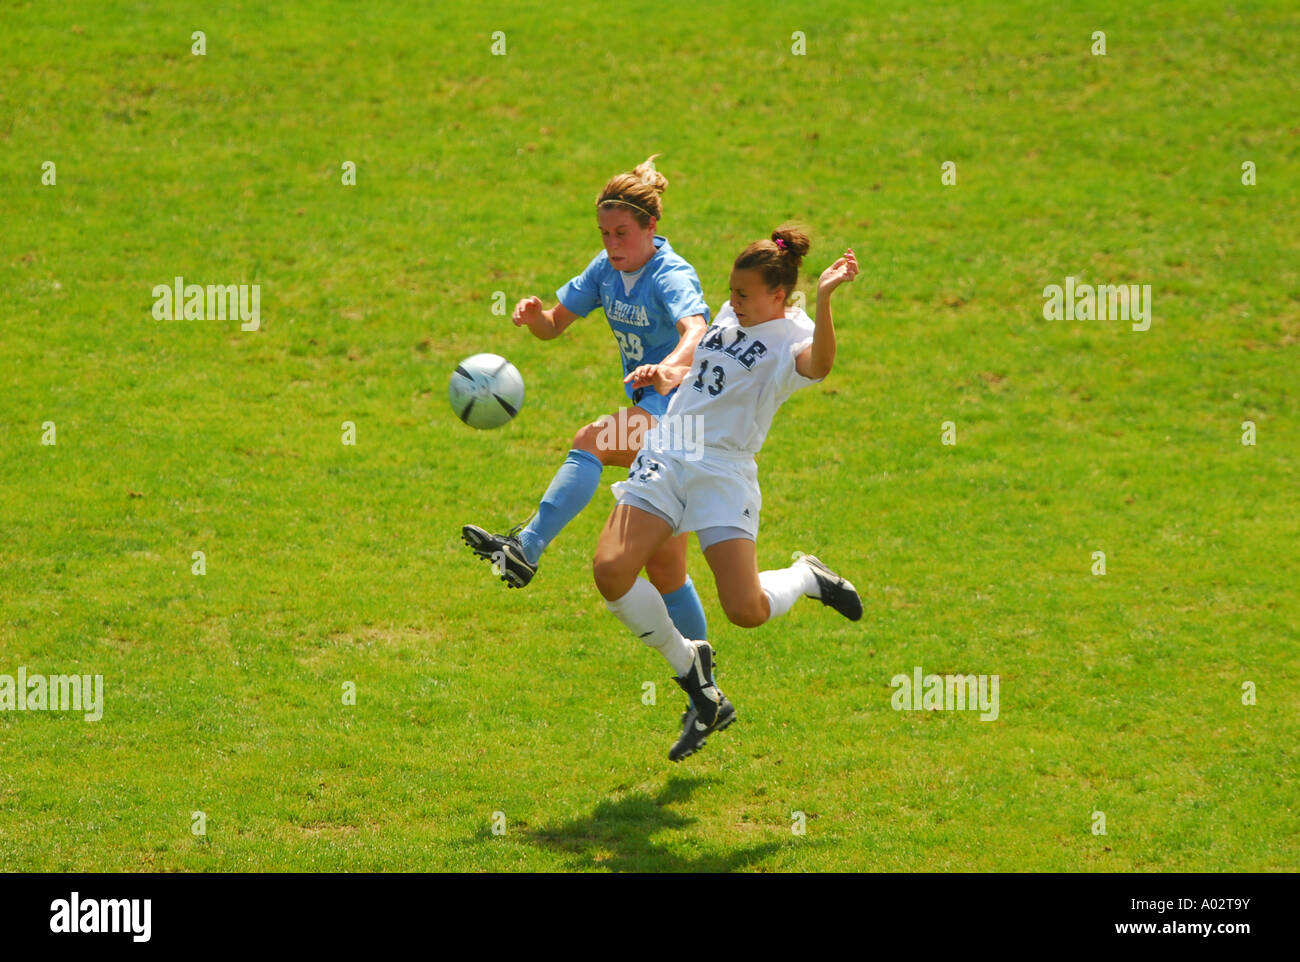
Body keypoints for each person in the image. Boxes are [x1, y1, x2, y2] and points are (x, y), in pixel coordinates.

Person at [592, 226, 862, 761]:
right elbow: (702, 368)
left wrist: (827, 298)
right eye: (731, 291)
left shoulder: (795, 337)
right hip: (670, 452)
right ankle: (690, 668)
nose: (732, 301)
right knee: (611, 570)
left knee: (746, 609)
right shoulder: (731, 313)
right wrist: (669, 374)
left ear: (778, 296)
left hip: (723, 472)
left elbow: (822, 365)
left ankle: (807, 576)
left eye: (743, 294)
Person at [462, 155, 713, 654]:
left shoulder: (670, 274)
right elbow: (554, 325)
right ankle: (703, 681)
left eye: (622, 233)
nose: (612, 245)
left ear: (651, 227)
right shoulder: (605, 270)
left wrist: (669, 367)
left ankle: (526, 548)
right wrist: (534, 316)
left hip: (686, 418)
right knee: (665, 569)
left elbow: (697, 330)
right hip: (661, 420)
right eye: (604, 234)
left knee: (592, 440)